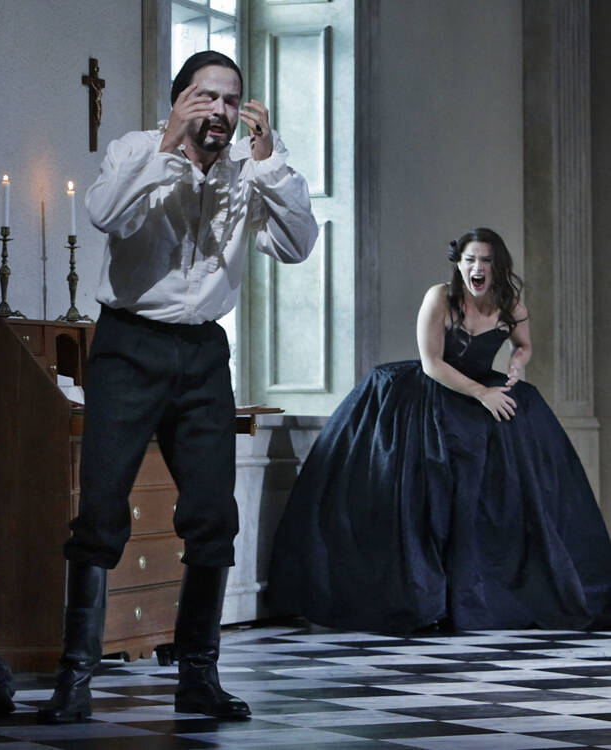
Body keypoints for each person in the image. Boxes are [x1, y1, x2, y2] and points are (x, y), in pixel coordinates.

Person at [38, 51, 317, 724]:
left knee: (213, 515)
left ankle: (199, 676)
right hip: (128, 346)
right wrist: (165, 146)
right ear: (179, 101)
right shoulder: (136, 149)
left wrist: (269, 162)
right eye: (205, 96)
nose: (219, 110)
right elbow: (106, 214)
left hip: (202, 353)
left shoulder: (250, 171)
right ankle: (75, 677)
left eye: (230, 99)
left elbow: (296, 245)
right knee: (100, 510)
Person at [269, 227, 611, 633]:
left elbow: (524, 344)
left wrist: (517, 364)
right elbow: (432, 363)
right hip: (433, 392)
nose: (477, 267)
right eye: (470, 259)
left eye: (486, 260)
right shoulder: (440, 298)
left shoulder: (511, 304)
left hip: (483, 391)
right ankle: (424, 596)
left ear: (498, 266)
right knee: (426, 486)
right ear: (459, 264)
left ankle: (487, 593)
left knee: (514, 464)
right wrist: (482, 394)